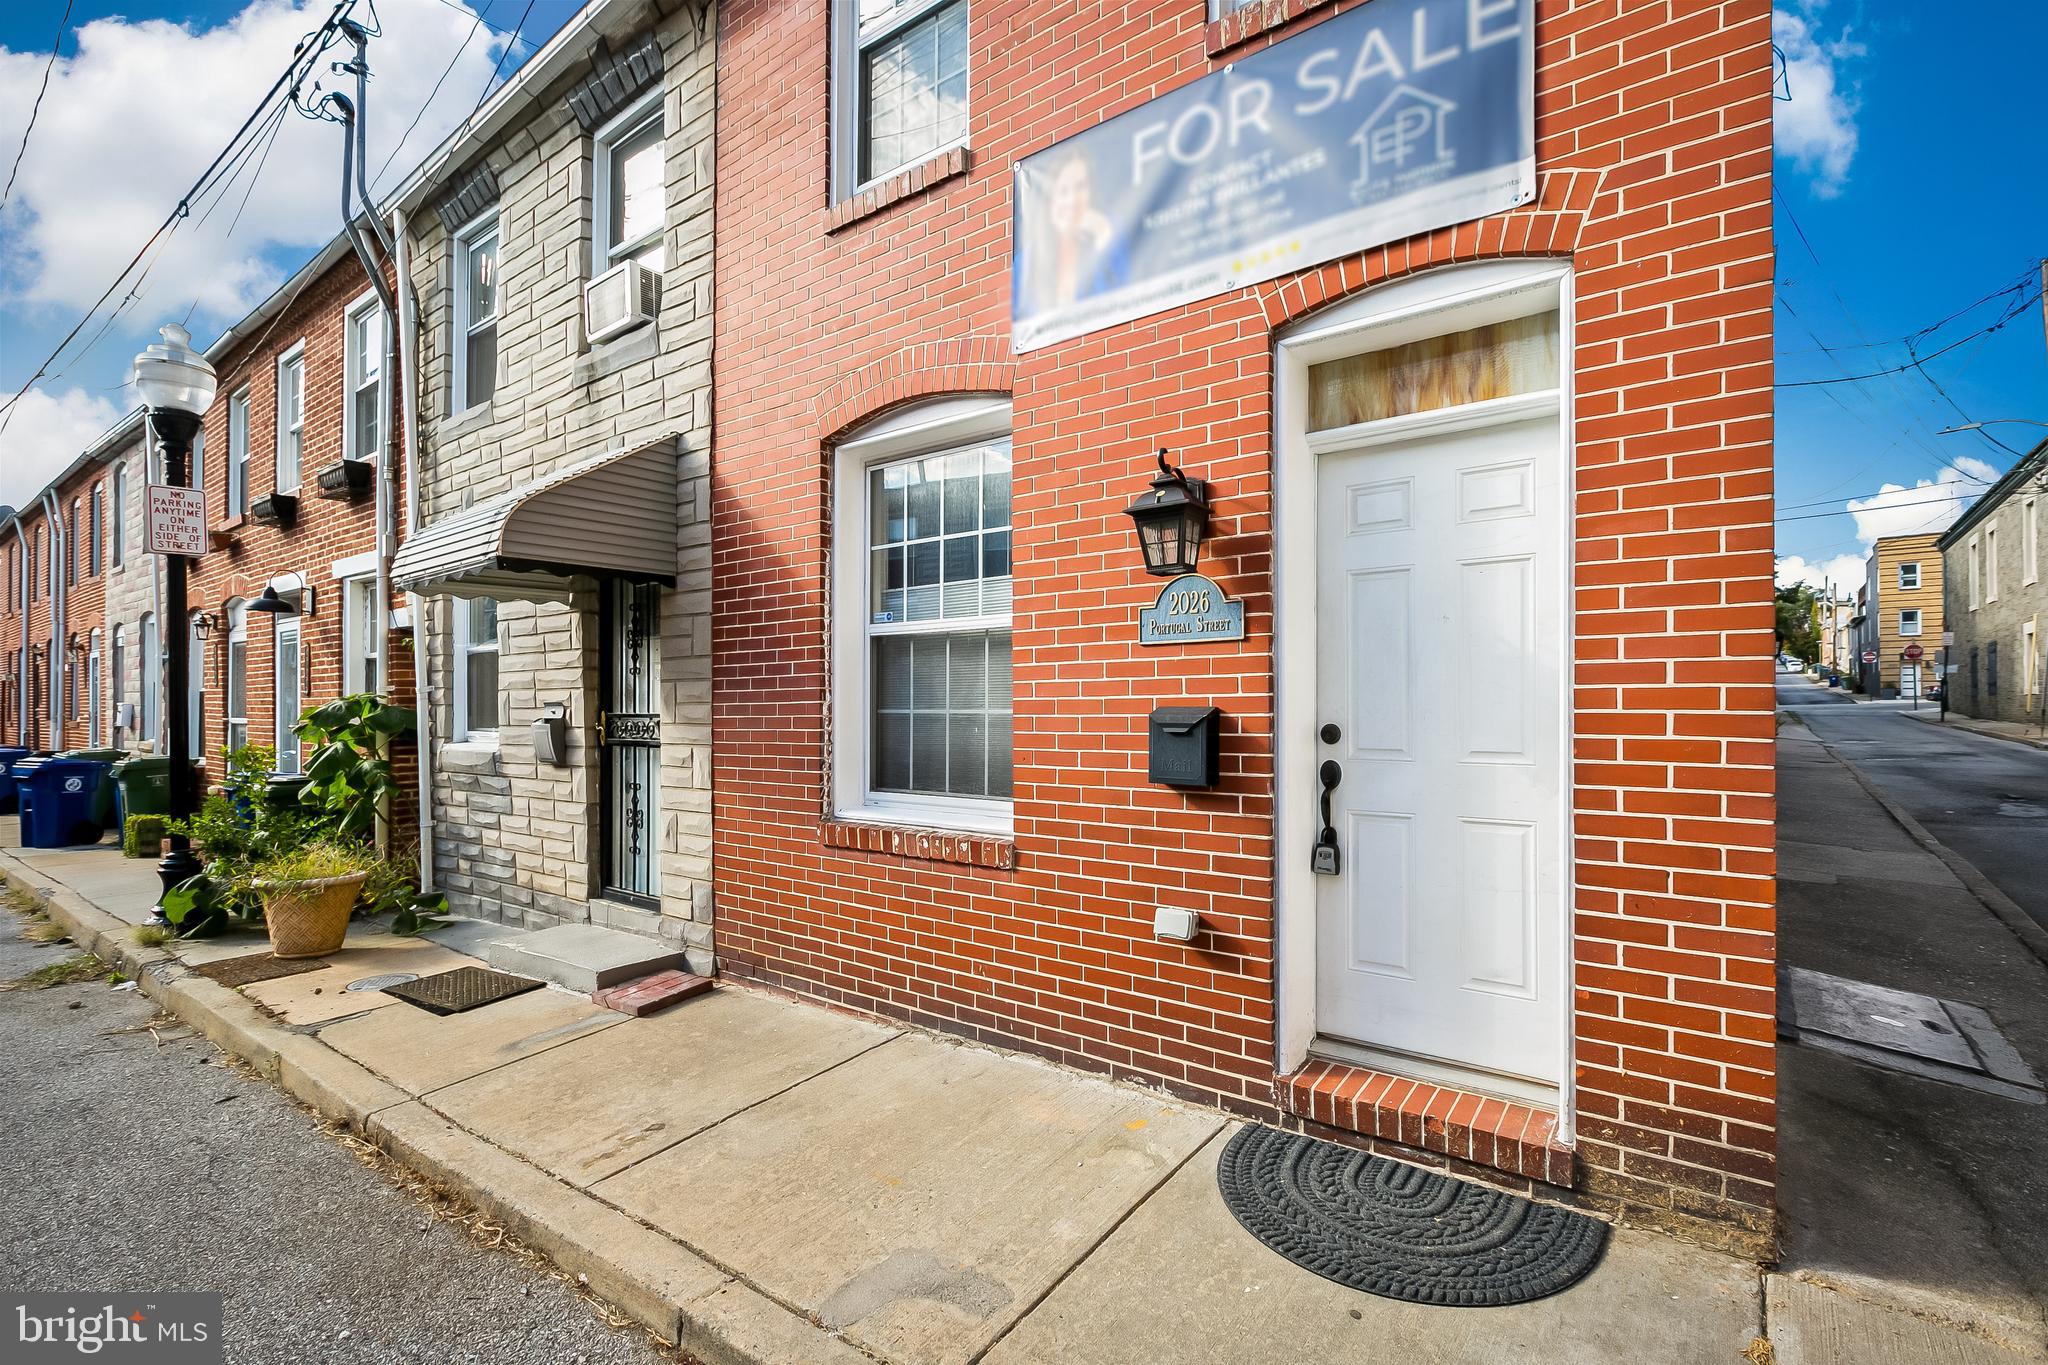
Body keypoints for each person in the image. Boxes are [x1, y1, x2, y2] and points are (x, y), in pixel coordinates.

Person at [1017, 152, 1130, 319]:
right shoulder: (1026, 262)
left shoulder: (1112, 234)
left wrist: (1102, 236)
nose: (1072, 200)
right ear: (1050, 201)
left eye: (1080, 187)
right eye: (1063, 191)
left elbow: (1123, 305)